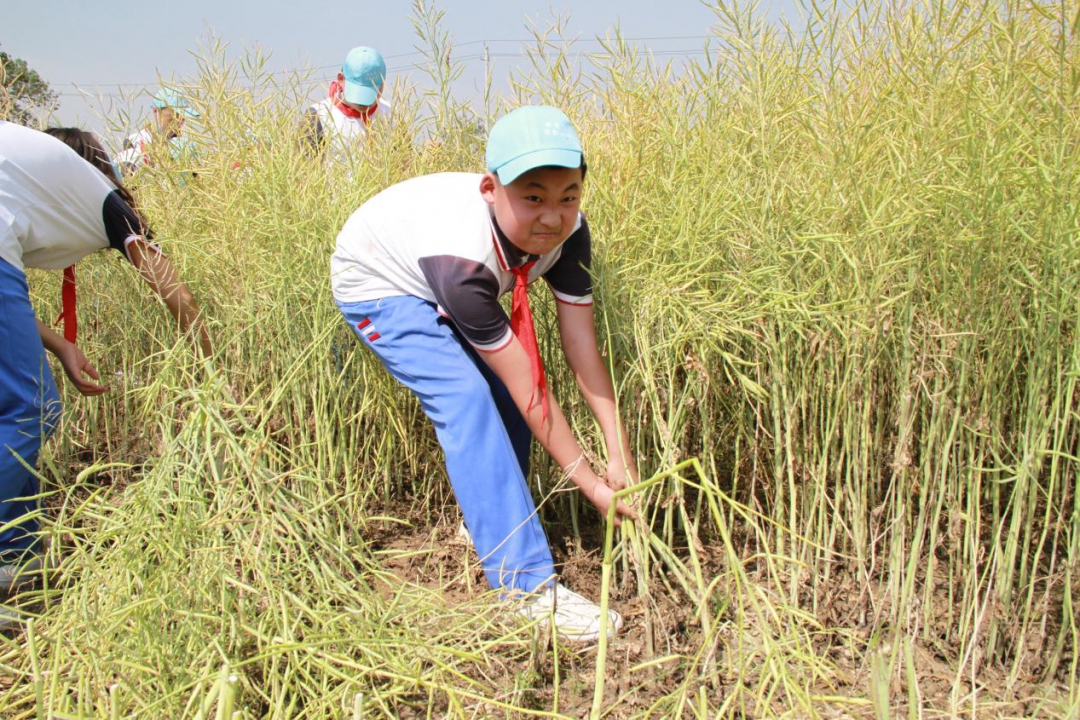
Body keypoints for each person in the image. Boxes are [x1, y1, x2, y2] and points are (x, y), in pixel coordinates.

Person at [330, 106, 639, 642]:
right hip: (378, 281)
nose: (551, 217)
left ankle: (489, 521)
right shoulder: (465, 261)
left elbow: (580, 344)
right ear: (490, 189)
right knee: (469, 396)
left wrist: (618, 450)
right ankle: (526, 589)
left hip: (426, 261)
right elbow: (529, 387)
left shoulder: (572, 234)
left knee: (504, 390)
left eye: (569, 195)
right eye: (533, 197)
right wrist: (589, 484)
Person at [0, 122, 212, 614]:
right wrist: (211, 366)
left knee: (15, 413)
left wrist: (60, 346)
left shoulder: (30, 175)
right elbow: (175, 292)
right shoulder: (108, 201)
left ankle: (19, 559)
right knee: (30, 410)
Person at [303, 46, 392, 160]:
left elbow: (406, 166)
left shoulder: (391, 116)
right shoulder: (319, 116)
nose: (364, 103)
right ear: (341, 79)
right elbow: (306, 170)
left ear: (382, 85)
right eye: (359, 92)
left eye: (370, 92)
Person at [114, 87, 199, 176]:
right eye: (171, 119)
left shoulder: (187, 146)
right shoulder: (137, 141)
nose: (177, 125)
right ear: (156, 112)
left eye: (182, 119)